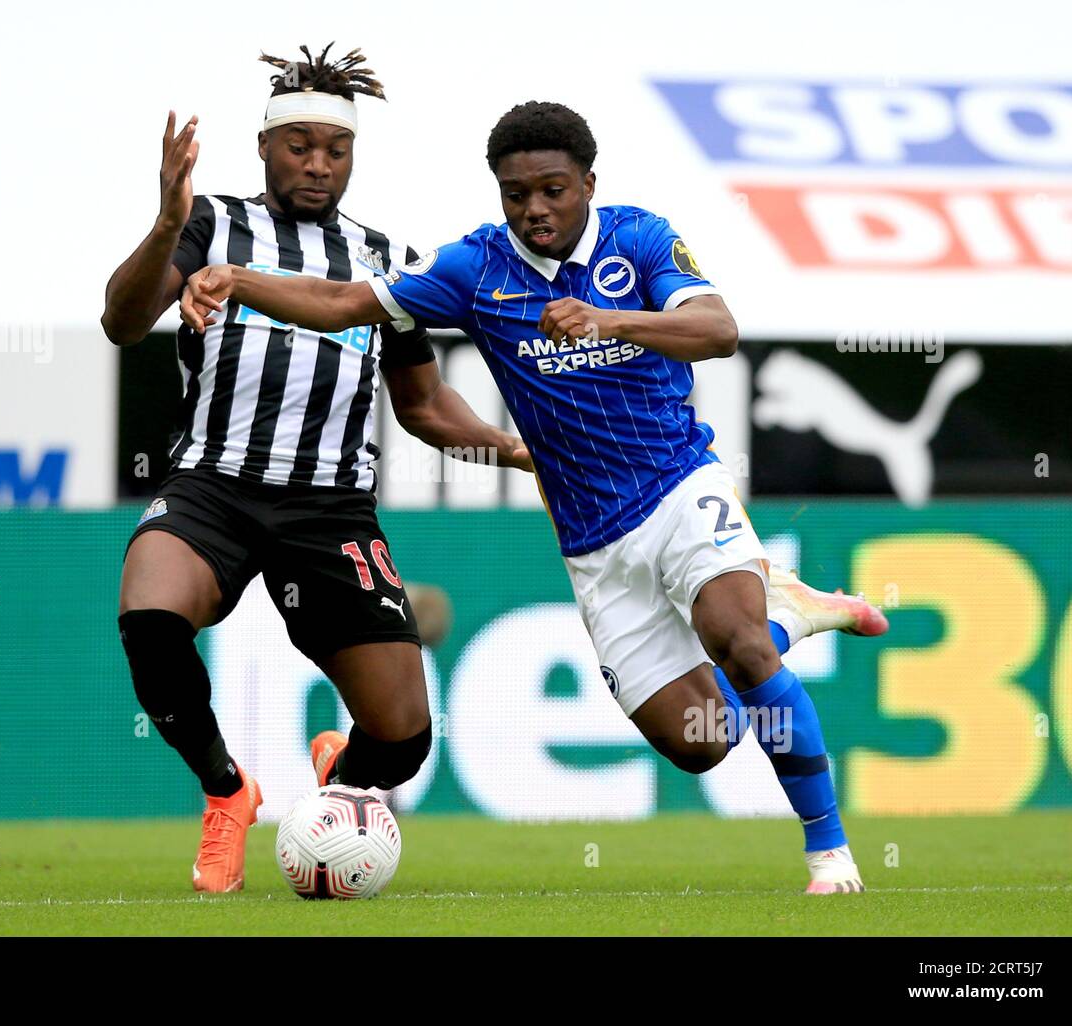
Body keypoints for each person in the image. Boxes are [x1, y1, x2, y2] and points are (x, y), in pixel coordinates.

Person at [179, 100, 890, 894]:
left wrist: (608, 322)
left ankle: (829, 854)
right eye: (516, 195)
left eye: (553, 190)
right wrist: (237, 279)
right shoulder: (474, 270)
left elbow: (719, 331)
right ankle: (795, 615)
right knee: (701, 740)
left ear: (588, 182)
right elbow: (347, 305)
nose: (535, 210)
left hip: (680, 483)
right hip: (591, 539)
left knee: (740, 643)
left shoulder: (641, 239)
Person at [100, 45, 529, 893]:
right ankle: (228, 792)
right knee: (150, 620)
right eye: (299, 145)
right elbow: (122, 320)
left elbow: (424, 407)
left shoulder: (385, 259)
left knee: (403, 737)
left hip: (332, 508)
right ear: (264, 147)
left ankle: (334, 785)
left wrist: (517, 449)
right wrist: (162, 221)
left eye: (335, 150)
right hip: (211, 488)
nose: (317, 163)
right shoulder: (210, 225)